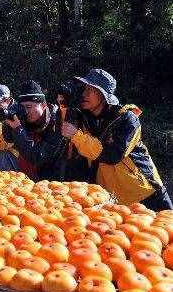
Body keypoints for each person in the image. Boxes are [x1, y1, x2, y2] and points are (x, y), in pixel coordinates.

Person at [61, 69, 172, 210]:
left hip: (146, 194)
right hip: (113, 200)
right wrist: (65, 105)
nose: (84, 94)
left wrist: (77, 135)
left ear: (104, 95)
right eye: (84, 88)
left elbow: (113, 155)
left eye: (91, 89)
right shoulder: (85, 119)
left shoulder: (127, 119)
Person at [4, 80, 88, 181]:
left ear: (43, 105)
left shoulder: (58, 121)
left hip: (64, 184)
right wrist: (8, 121)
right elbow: (8, 138)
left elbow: (37, 157)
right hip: (33, 182)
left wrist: (18, 130)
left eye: (29, 106)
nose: (25, 111)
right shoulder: (24, 120)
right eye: (22, 107)